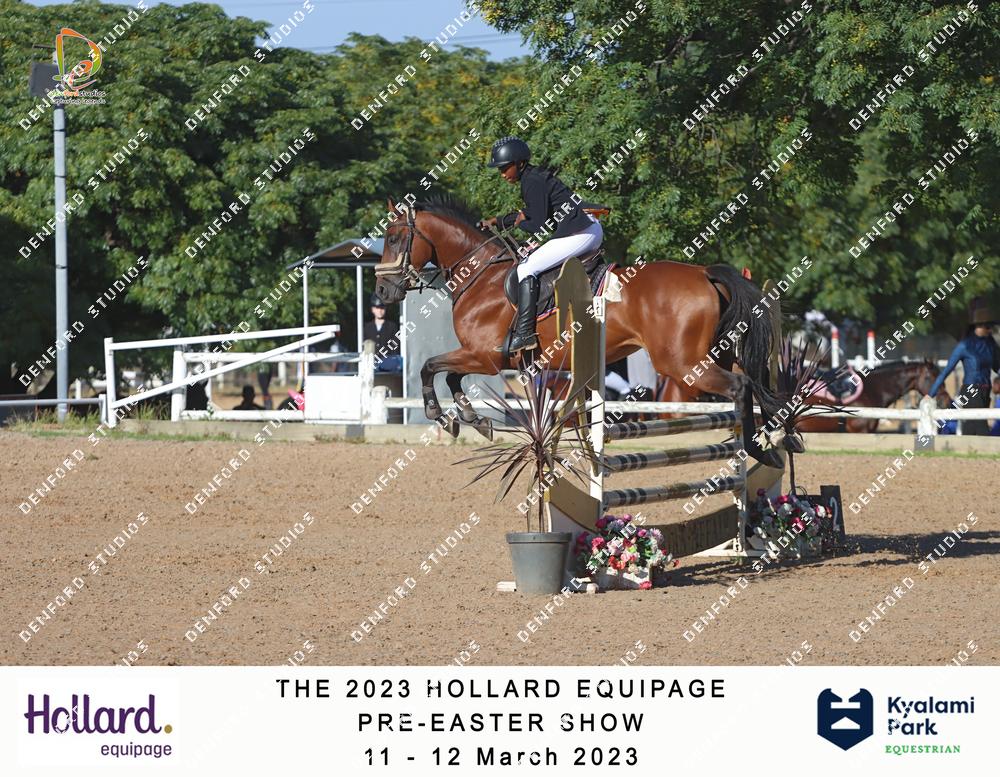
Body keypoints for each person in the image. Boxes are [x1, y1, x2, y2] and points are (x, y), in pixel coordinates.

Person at [477, 136, 603, 354]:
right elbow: (530, 214)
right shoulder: (533, 177)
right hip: (585, 228)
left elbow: (538, 226)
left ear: (520, 163)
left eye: (505, 168)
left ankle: (525, 333)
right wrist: (498, 220)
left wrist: (520, 223)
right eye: (500, 169)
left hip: (581, 232)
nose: (502, 174)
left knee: (526, 268)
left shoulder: (532, 182)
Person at [926, 307, 999, 435]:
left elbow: (996, 366)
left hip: (985, 390)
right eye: (988, 327)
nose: (990, 330)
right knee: (981, 427)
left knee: (970, 427)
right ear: (979, 326)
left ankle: (962, 446)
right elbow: (946, 371)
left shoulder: (990, 343)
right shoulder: (964, 346)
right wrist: (930, 394)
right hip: (970, 390)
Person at [362, 294, 402, 373]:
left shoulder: (392, 326)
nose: (380, 310)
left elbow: (395, 347)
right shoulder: (367, 327)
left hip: (388, 365)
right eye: (377, 308)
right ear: (372, 309)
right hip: (370, 365)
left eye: (382, 308)